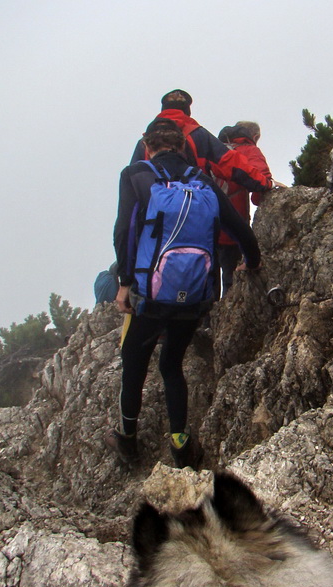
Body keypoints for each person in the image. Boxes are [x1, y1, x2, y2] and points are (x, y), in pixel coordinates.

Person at [108, 118, 261, 469]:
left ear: (148, 148)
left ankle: (128, 441)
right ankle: (180, 444)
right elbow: (241, 232)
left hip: (150, 296)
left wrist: (125, 284)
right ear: (182, 148)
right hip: (195, 297)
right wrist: (251, 263)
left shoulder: (135, 174)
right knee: (171, 364)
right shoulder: (202, 181)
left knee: (134, 364)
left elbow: (123, 232)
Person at [130, 90, 272, 195]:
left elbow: (132, 185)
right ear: (187, 111)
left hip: (152, 220)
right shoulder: (198, 135)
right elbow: (230, 163)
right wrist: (265, 183)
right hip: (194, 212)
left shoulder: (144, 142)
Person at [214, 121, 272, 297]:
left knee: (206, 278)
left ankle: (205, 321)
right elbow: (261, 182)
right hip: (232, 229)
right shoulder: (249, 150)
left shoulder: (215, 148)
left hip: (204, 225)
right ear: (254, 137)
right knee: (230, 279)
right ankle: (223, 318)